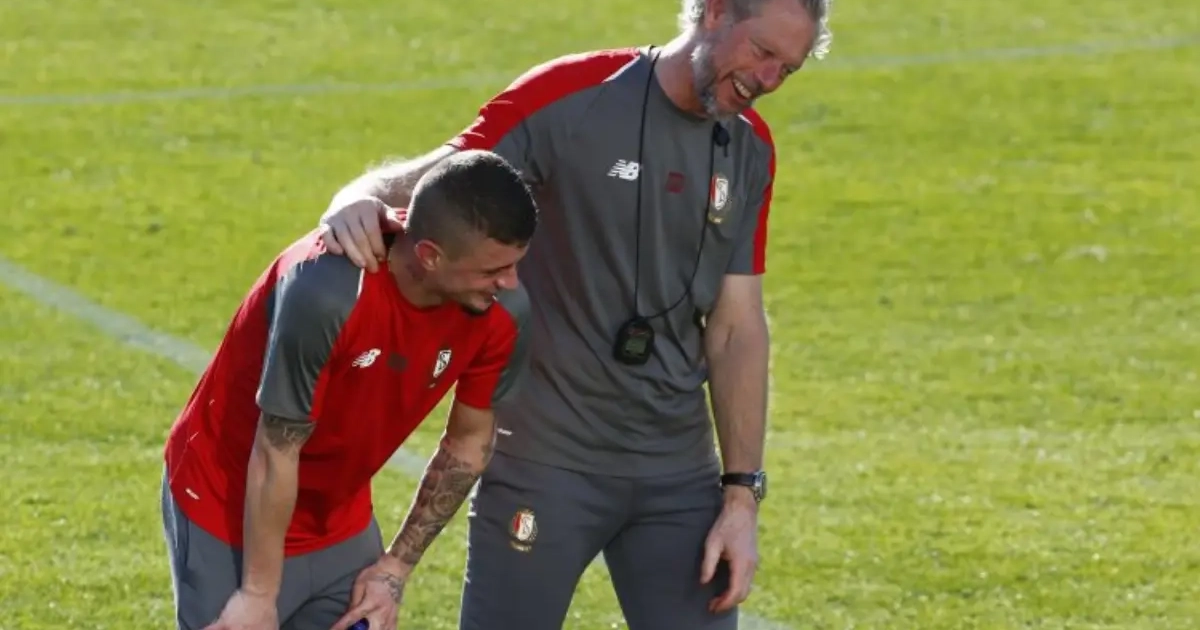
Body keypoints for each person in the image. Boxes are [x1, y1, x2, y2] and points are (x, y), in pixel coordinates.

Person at [318, 0, 833, 628]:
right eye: (763, 52)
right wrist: (356, 196)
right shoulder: (573, 97)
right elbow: (439, 181)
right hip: (543, 464)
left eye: (788, 69)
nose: (769, 80)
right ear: (716, 14)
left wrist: (741, 497)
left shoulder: (750, 148)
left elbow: (736, 328)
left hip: (677, 476)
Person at [160, 149, 539, 630]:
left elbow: (468, 443)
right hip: (226, 508)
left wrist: (395, 568)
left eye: (515, 264)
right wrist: (257, 595)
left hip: (339, 520)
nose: (509, 282)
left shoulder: (504, 312)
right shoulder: (328, 291)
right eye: (492, 271)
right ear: (429, 256)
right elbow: (276, 450)